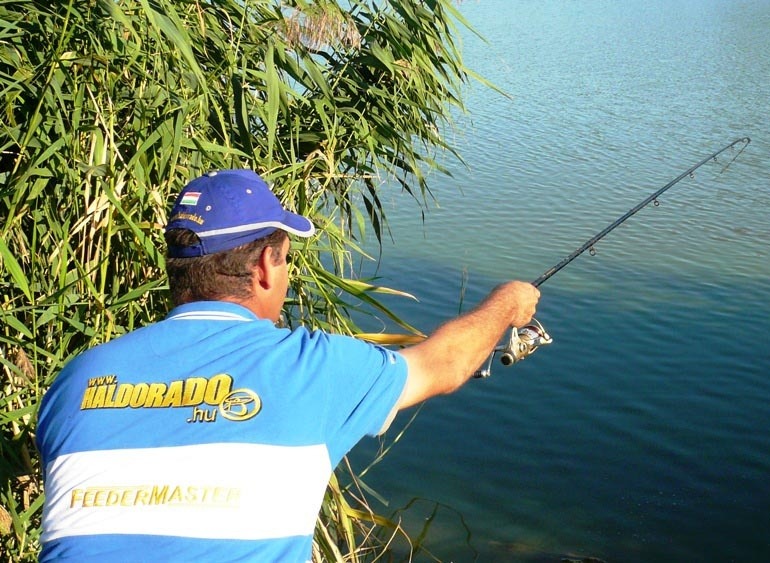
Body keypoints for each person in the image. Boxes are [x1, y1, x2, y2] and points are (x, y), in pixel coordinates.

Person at [35, 169, 540, 561]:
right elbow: (447, 364)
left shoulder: (75, 380)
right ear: (263, 268)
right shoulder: (314, 369)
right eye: (285, 256)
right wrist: (506, 304)